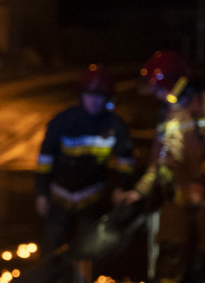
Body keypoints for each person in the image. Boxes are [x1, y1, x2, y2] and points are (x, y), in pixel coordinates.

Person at [119, 50, 205, 283]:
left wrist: (203, 181)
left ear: (172, 84)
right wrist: (140, 191)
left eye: (159, 89)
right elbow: (157, 162)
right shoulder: (166, 114)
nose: (157, 95)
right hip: (177, 195)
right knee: (170, 245)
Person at [34, 64, 136, 256]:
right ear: (81, 95)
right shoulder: (62, 121)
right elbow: (45, 158)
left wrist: (121, 188)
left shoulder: (115, 125)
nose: (93, 101)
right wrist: (41, 193)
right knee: (50, 252)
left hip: (92, 201)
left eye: (98, 96)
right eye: (89, 95)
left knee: (87, 253)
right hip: (59, 199)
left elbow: (126, 162)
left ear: (107, 98)